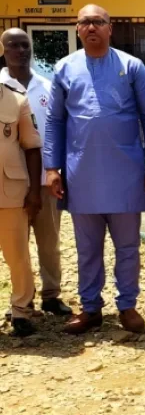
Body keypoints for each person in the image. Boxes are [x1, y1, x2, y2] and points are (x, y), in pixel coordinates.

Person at [44, 4, 145, 335]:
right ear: (78, 29)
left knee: (127, 246)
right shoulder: (64, 68)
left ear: (110, 28)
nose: (92, 27)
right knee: (87, 248)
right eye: (85, 22)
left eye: (98, 21)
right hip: (80, 171)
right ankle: (91, 308)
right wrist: (52, 167)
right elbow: (54, 120)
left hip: (126, 170)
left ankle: (127, 306)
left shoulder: (132, 66)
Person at [1, 28, 72, 317]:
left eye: (25, 45)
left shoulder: (47, 86)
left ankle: (51, 294)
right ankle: (22, 299)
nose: (21, 50)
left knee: (49, 241)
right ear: (3, 50)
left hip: (44, 179)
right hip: (8, 184)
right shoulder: (1, 88)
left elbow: (58, 130)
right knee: (16, 246)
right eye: (13, 45)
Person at [0, 73, 43, 337]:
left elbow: (32, 146)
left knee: (17, 256)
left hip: (10, 191)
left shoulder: (16, 100)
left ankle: (21, 310)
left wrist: (35, 192)